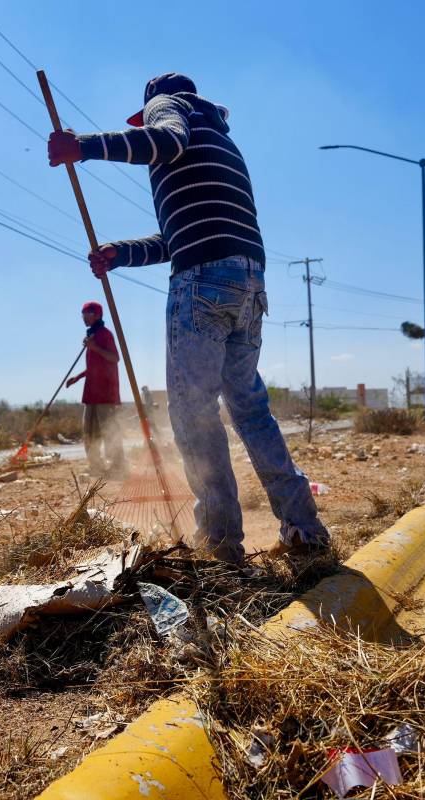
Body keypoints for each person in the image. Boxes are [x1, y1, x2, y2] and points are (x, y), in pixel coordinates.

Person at [48, 73, 328, 564]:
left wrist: (85, 147)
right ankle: (303, 527)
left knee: (193, 414)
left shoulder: (169, 108)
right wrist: (120, 254)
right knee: (249, 408)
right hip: (248, 281)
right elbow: (176, 237)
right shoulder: (220, 139)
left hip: (202, 282)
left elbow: (164, 141)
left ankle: (221, 544)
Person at [65, 301, 125, 477]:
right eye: (83, 313)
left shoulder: (104, 335)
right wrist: (77, 378)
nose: (84, 317)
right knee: (89, 432)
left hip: (105, 393)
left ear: (97, 315)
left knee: (109, 432)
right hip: (91, 393)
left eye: (87, 313)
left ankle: (117, 467)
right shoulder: (92, 335)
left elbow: (114, 358)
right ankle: (96, 466)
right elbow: (94, 366)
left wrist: (94, 347)